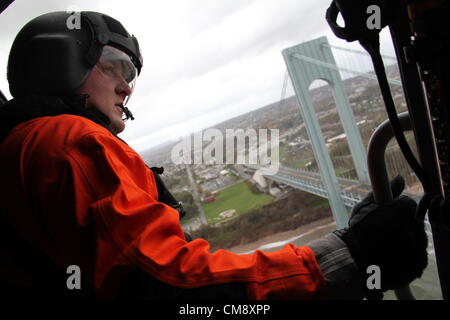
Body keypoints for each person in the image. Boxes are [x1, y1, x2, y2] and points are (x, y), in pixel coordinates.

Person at [0, 11, 428, 300]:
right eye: (114, 66)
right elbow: (166, 285)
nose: (127, 86)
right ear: (63, 62)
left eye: (131, 74)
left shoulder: (24, 146)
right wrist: (347, 255)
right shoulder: (70, 141)